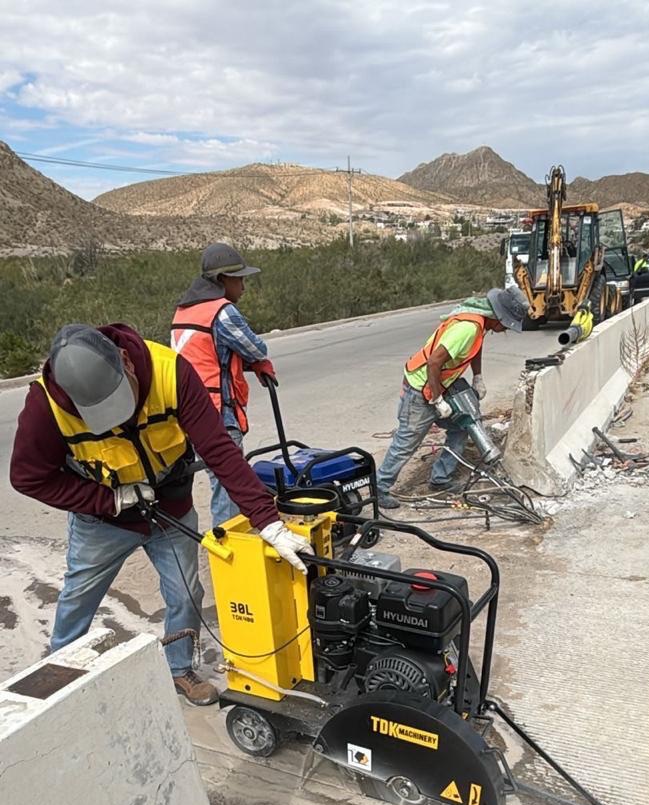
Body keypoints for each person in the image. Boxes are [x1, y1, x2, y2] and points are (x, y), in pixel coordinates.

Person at [10, 323, 308, 706]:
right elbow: (29, 477)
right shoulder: (46, 406)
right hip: (103, 519)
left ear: (125, 362)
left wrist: (268, 522)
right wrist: (109, 500)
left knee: (186, 593)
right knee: (78, 599)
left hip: (169, 505)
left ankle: (179, 669)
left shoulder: (171, 372)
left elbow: (219, 449)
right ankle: (60, 681)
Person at [375, 286, 529, 509]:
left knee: (461, 426)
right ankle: (379, 487)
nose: (504, 329)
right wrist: (437, 400)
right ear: (499, 316)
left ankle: (440, 478)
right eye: (505, 323)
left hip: (438, 387)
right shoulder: (467, 328)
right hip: (420, 389)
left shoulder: (480, 324)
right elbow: (434, 362)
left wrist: (478, 376)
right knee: (407, 442)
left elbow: (476, 349)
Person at [171, 242, 275, 526]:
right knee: (229, 484)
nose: (243, 286)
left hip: (188, 411)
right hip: (217, 412)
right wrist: (255, 362)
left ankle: (230, 539)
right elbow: (257, 349)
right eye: (239, 279)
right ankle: (230, 551)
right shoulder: (222, 312)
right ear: (221, 281)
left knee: (217, 479)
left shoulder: (184, 310)